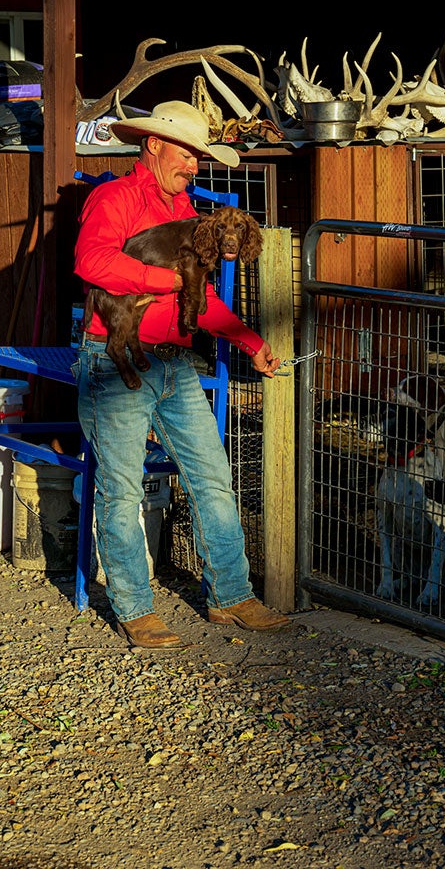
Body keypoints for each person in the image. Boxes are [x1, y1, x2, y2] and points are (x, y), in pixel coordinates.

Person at [74, 100, 289, 649]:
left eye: (199, 156)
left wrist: (250, 341)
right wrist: (161, 281)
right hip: (113, 361)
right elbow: (90, 260)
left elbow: (205, 297)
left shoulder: (190, 207)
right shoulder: (113, 197)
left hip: (173, 362)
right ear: (153, 145)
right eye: (188, 153)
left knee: (213, 478)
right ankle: (134, 608)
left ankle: (232, 597)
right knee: (120, 489)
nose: (195, 164)